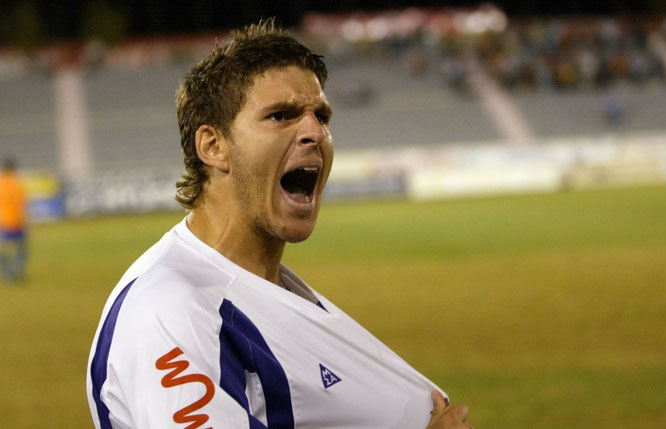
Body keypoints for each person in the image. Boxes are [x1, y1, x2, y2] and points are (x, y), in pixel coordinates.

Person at [86, 19, 472, 429]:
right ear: (213, 146)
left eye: (321, 116)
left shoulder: (262, 287)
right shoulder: (171, 310)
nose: (314, 132)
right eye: (281, 115)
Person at [0, 157, 28, 284]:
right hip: (17, 222)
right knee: (20, 250)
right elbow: (21, 204)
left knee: (4, 250)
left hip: (4, 223)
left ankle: (7, 273)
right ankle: (17, 272)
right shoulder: (17, 183)